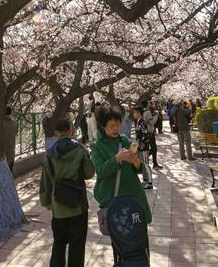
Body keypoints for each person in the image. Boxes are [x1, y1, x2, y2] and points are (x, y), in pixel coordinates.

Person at [91, 105, 152, 267]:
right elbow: (101, 172)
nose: (116, 128)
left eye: (118, 124)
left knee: (141, 246)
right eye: (112, 125)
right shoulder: (97, 146)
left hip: (134, 199)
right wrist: (116, 159)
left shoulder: (125, 141)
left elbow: (140, 170)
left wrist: (136, 162)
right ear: (102, 126)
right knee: (121, 248)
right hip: (115, 204)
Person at [40, 118, 96, 267]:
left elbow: (45, 181)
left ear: (56, 133)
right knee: (77, 246)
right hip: (78, 205)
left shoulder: (49, 154)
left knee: (58, 244)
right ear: (71, 131)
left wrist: (46, 202)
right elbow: (89, 173)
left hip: (58, 208)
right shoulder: (80, 150)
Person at [132, 107, 154, 190]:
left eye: (135, 113)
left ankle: (150, 182)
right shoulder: (138, 122)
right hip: (139, 148)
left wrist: (139, 144)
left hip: (144, 148)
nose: (134, 114)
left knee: (146, 164)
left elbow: (145, 136)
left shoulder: (143, 123)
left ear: (139, 113)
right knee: (143, 165)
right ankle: (145, 180)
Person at [142, 102, 162, 170]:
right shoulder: (147, 112)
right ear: (147, 104)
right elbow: (152, 122)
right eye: (150, 103)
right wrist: (156, 115)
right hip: (149, 132)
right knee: (154, 148)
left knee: (153, 148)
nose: (151, 105)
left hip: (147, 132)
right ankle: (151, 162)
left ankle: (153, 162)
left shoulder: (144, 111)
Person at [4, 106, 19, 172]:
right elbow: (16, 132)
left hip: (2, 153)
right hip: (11, 150)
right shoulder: (14, 122)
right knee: (10, 171)